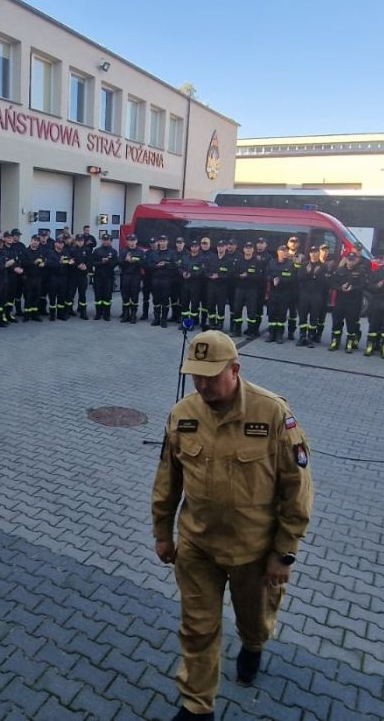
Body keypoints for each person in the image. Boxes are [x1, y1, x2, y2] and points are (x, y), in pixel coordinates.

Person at [151, 331, 313, 720]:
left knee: (253, 620)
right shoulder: (183, 414)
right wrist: (162, 532)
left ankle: (253, 644)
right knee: (197, 627)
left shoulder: (272, 413)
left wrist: (284, 553)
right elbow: (166, 479)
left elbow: (297, 487)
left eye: (210, 375)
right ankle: (197, 705)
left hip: (253, 552)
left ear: (235, 369)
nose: (202, 384)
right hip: (197, 547)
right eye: (196, 376)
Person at [328, 249, 368, 352]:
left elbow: (363, 285)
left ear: (356, 260)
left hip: (353, 302)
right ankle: (335, 341)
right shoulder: (339, 270)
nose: (351, 262)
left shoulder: (361, 271)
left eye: (353, 260)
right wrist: (341, 287)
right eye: (349, 259)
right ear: (345, 259)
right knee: (336, 322)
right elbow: (332, 284)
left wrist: (353, 288)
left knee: (351, 323)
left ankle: (349, 343)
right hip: (340, 301)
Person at [294, 244, 330, 346]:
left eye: (315, 252)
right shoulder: (304, 265)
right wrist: (310, 273)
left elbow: (325, 282)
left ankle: (310, 338)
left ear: (318, 253)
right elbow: (300, 278)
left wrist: (314, 275)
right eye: (312, 252)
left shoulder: (323, 267)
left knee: (314, 318)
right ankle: (302, 336)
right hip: (304, 295)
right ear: (309, 254)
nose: (314, 254)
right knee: (302, 317)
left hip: (316, 295)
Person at [230, 242, 264, 337]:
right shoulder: (238, 261)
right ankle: (237, 330)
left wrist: (248, 276)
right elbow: (233, 274)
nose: (248, 250)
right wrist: (239, 276)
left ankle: (251, 331)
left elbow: (259, 276)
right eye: (246, 248)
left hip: (252, 290)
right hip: (240, 288)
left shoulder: (257, 262)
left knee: (251, 311)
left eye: (250, 248)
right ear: (243, 249)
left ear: (253, 250)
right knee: (237, 309)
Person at [263, 244, 296, 343]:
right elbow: (266, 275)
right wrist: (272, 279)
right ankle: (271, 334)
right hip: (273, 292)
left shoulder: (290, 264)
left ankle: (279, 335)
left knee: (282, 314)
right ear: (278, 252)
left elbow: (292, 278)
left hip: (284, 293)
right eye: (282, 251)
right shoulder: (272, 262)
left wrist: (280, 280)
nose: (284, 252)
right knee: (272, 313)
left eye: (286, 251)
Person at [146, 236, 178, 328]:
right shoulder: (154, 253)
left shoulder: (172, 253)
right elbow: (149, 265)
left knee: (165, 300)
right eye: (161, 241)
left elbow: (175, 266)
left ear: (167, 242)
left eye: (164, 241)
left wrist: (165, 265)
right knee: (156, 299)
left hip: (167, 280)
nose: (162, 242)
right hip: (156, 279)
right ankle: (156, 319)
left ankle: (163, 319)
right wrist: (157, 266)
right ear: (158, 242)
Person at [89, 234, 119, 322]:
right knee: (98, 296)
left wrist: (108, 261)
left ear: (111, 241)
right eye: (104, 240)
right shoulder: (97, 251)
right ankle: (98, 313)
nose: (105, 241)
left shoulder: (113, 251)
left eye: (107, 240)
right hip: (98, 276)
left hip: (109, 277)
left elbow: (116, 263)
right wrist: (101, 262)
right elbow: (92, 263)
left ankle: (107, 314)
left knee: (107, 296)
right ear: (102, 241)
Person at [117, 234, 146, 324]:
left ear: (136, 241)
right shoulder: (123, 251)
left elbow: (144, 264)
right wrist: (126, 260)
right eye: (130, 240)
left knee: (134, 296)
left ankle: (133, 315)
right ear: (127, 241)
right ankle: (126, 314)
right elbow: (119, 263)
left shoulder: (140, 251)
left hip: (135, 276)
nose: (132, 242)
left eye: (133, 240)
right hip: (125, 275)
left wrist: (135, 261)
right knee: (125, 296)